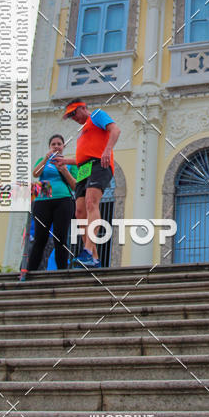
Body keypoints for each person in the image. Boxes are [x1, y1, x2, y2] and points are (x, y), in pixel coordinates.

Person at [54, 100, 120, 270]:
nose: (73, 118)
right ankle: (94, 259)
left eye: (74, 113)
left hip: (99, 163)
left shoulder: (97, 115)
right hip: (84, 168)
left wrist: (107, 150)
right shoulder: (83, 131)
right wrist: (65, 161)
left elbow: (115, 130)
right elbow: (83, 157)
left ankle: (88, 251)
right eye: (70, 116)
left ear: (83, 108)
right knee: (79, 212)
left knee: (92, 203)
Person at [19, 134, 77, 282]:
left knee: (60, 238)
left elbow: (75, 185)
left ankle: (62, 273)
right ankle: (30, 272)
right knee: (40, 238)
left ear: (63, 146)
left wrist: (64, 170)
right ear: (50, 147)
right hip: (42, 201)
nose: (56, 146)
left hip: (63, 201)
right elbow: (35, 173)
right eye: (53, 144)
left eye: (59, 144)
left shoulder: (70, 163)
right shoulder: (43, 161)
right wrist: (46, 159)